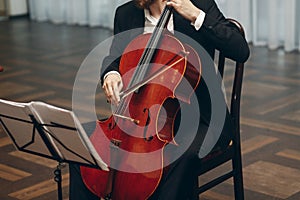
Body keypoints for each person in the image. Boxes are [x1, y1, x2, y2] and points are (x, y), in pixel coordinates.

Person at [69, 0, 250, 199]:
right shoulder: (126, 13)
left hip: (199, 117)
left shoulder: (198, 3)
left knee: (176, 156)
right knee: (83, 142)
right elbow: (114, 57)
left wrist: (197, 16)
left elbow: (240, 50)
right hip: (141, 114)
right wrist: (111, 73)